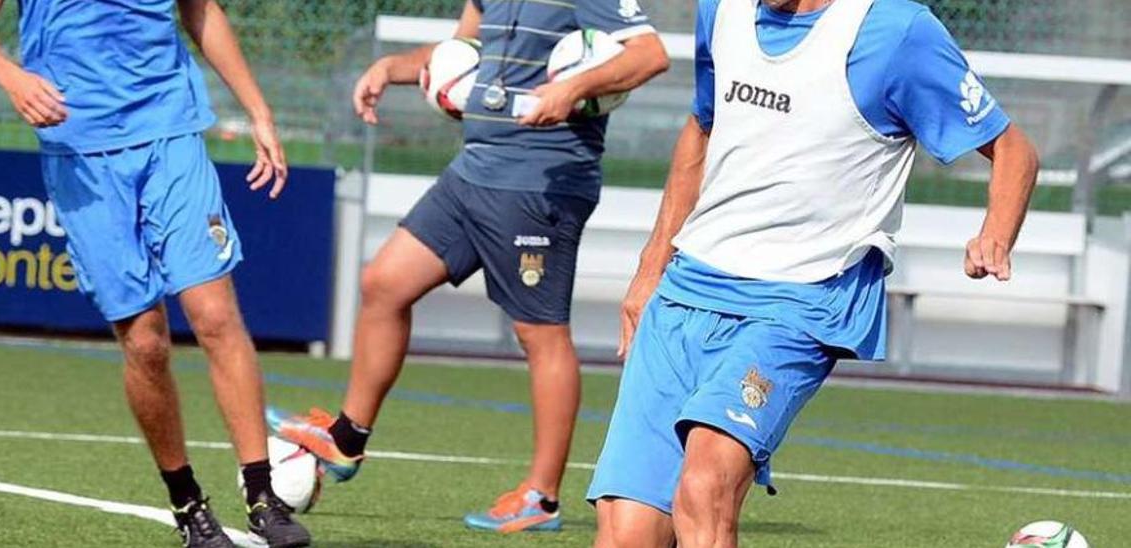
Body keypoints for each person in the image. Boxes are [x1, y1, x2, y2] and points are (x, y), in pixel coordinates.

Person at [585, 0, 1039, 546]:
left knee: (706, 486)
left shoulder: (895, 31)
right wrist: (650, 267)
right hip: (689, 287)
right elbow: (702, 130)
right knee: (627, 533)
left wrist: (995, 232)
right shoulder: (720, 11)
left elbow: (1013, 149)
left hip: (801, 299)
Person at [273, 0, 668, 534]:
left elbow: (649, 55)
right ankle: (347, 439)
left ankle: (541, 497)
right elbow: (463, 54)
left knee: (540, 334)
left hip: (539, 182)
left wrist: (570, 89)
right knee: (384, 283)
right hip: (473, 172)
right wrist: (393, 68)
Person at [0, 1, 309, 546]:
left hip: (171, 133)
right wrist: (12, 77)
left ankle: (263, 495)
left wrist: (258, 111)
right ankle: (188, 504)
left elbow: (201, 12)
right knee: (146, 342)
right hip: (81, 151)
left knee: (215, 314)